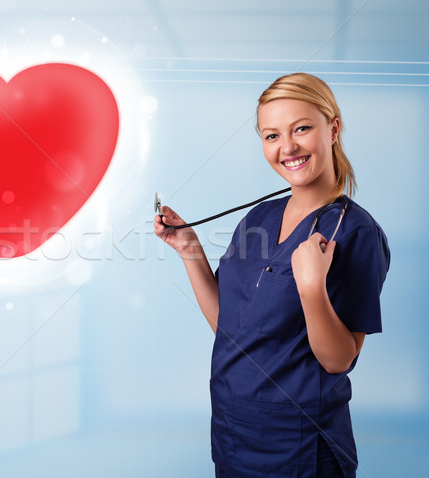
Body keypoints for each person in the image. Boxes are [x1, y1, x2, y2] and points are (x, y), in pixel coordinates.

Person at [154, 73, 390, 477]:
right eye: (271, 136)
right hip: (233, 432)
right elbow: (231, 330)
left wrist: (312, 287)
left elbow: (338, 360)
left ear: (332, 129)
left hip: (299, 446)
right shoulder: (258, 218)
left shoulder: (355, 233)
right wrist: (190, 251)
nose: (288, 147)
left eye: (302, 128)